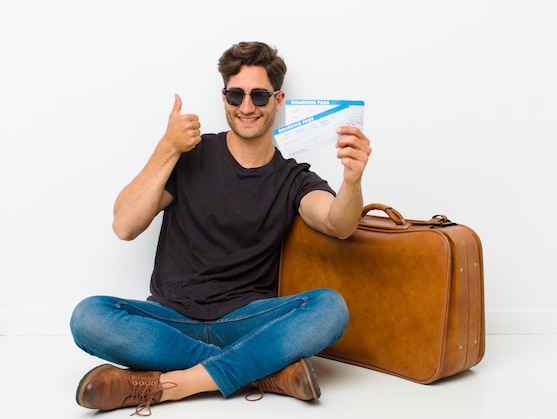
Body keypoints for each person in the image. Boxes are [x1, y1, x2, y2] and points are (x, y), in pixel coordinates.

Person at [70, 41, 371, 416]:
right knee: (87, 317)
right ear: (224, 97)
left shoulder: (292, 177)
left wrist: (353, 181)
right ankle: (259, 373)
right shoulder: (189, 156)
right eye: (236, 95)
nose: (247, 107)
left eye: (259, 96)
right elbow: (124, 225)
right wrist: (167, 147)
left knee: (331, 308)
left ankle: (171, 386)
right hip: (172, 321)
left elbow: (337, 223)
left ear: (278, 101)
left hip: (246, 323)